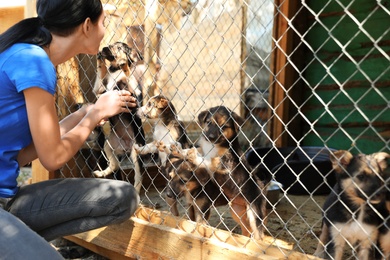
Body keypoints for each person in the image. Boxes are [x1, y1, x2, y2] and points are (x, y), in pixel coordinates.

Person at [0, 0, 140, 258]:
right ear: (87, 26)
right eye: (103, 23)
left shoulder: (31, 53)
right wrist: (96, 113)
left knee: (121, 197)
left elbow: (20, 155)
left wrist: (82, 114)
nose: (105, 31)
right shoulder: (34, 62)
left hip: (7, 198)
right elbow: (52, 157)